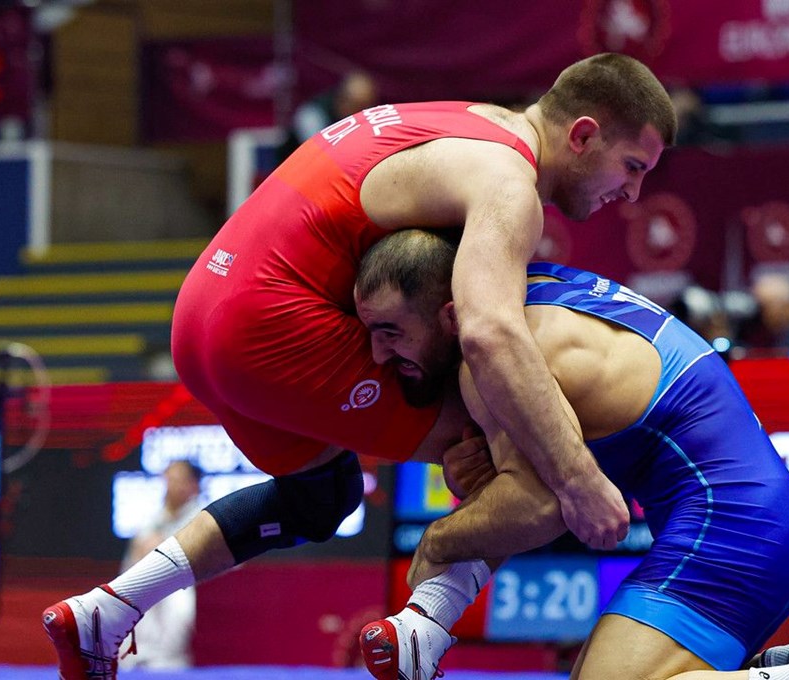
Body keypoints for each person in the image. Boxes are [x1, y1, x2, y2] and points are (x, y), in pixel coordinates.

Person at [42, 52, 676, 679]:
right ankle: (419, 635)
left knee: (323, 498)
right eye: (632, 166)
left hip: (200, 313)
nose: (633, 192)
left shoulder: (473, 120)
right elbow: (490, 332)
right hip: (266, 323)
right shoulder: (509, 181)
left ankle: (110, 608)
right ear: (583, 134)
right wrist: (579, 480)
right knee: (539, 460)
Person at [351, 230, 789, 680]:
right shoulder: (539, 290)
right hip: (759, 523)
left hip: (733, 528)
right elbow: (515, 500)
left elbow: (535, 508)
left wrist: (439, 537)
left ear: (450, 316)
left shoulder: (490, 354)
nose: (378, 353)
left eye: (391, 332)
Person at [118, 460, 203, 670]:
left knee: (179, 603)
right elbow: (139, 549)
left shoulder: (203, 515)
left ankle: (168, 662)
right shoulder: (153, 514)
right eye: (169, 479)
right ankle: (136, 657)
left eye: (178, 480)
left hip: (180, 583)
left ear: (193, 485)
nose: (172, 485)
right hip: (143, 581)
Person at [276, 70, 380, 163]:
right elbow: (321, 156)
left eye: (368, 105)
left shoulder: (367, 116)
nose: (365, 111)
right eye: (360, 106)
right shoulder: (312, 115)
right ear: (344, 101)